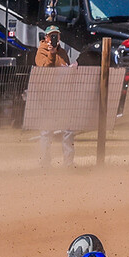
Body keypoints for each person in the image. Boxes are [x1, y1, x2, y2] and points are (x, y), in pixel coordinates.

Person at [33, 24, 78, 167]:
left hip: (63, 96)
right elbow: (45, 70)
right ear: (46, 37)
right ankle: (45, 162)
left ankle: (68, 163)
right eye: (51, 35)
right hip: (48, 97)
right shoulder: (41, 51)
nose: (54, 38)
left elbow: (65, 69)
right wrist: (51, 54)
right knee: (47, 131)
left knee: (68, 130)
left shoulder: (63, 52)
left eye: (56, 35)